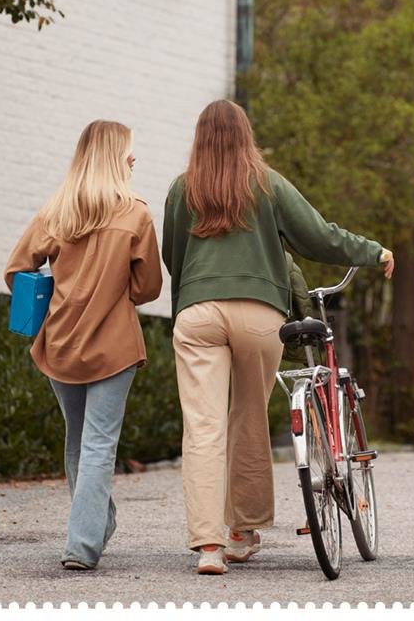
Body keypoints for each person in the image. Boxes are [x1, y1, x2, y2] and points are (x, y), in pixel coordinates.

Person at [162, 99, 393, 575]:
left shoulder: (183, 189)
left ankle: (208, 548)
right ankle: (241, 534)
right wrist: (373, 251)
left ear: (199, 138)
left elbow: (173, 255)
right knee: (247, 419)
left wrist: (198, 292)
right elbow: (318, 236)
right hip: (258, 315)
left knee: (202, 429)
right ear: (245, 135)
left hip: (198, 314)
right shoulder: (267, 184)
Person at [4, 120, 162, 571]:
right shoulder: (135, 213)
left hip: (59, 342)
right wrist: (115, 290)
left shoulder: (56, 212)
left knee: (79, 442)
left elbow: (16, 270)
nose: (134, 158)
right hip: (113, 346)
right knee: (97, 445)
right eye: (130, 151)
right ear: (115, 157)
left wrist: (55, 296)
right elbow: (148, 286)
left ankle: (91, 528)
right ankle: (83, 543)